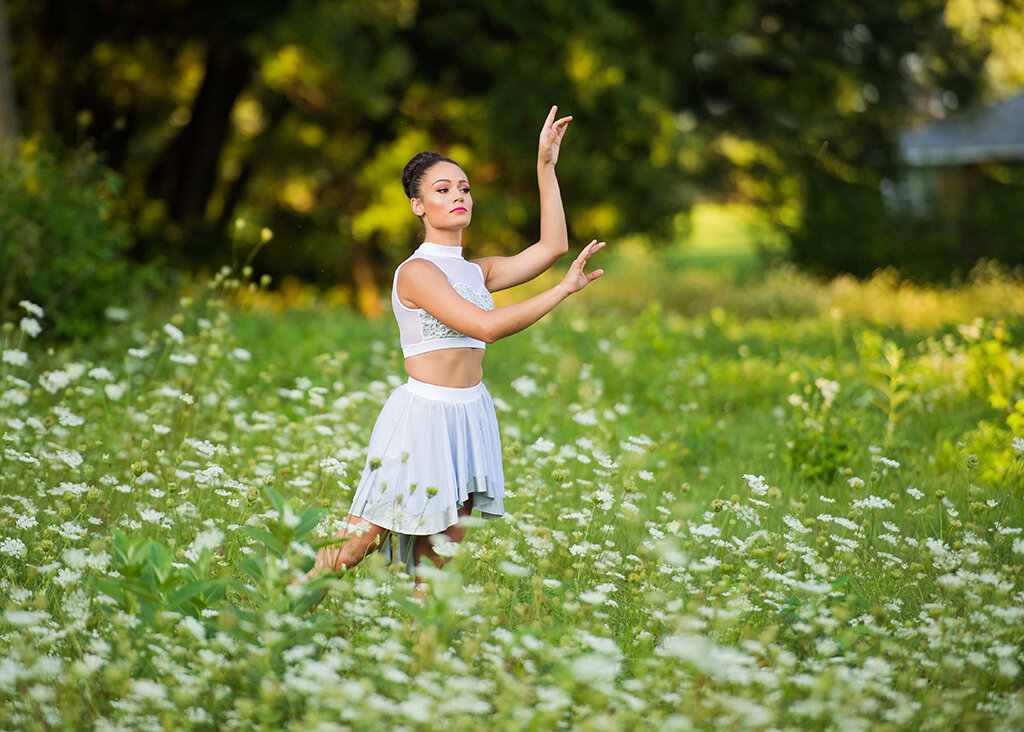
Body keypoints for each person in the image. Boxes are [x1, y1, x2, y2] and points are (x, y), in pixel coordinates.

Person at [302, 106, 604, 596]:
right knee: (356, 545)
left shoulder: (475, 270)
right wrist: (562, 291)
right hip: (422, 418)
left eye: (463, 188)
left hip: (470, 416)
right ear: (419, 205)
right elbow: (484, 328)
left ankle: (417, 661)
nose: (458, 195)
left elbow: (552, 247)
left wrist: (545, 169)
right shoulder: (417, 273)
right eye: (442, 189)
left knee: (436, 562)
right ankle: (281, 611)